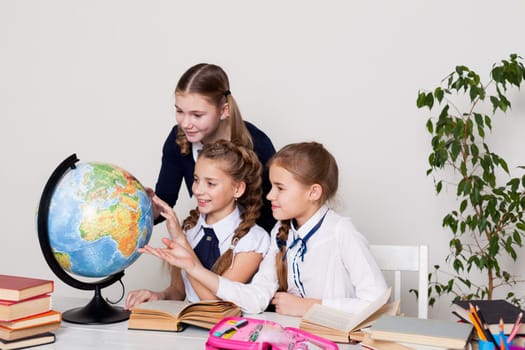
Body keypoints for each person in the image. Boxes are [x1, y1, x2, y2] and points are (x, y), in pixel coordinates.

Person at [139, 142, 388, 316]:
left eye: (280, 188)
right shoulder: (281, 232)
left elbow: (375, 303)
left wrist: (309, 306)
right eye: (271, 186)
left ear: (313, 192)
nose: (270, 195)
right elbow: (257, 298)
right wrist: (193, 267)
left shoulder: (340, 231)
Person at [125, 140, 270, 309]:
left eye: (211, 183)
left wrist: (180, 240)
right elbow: (178, 291)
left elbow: (216, 307)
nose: (198, 190)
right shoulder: (191, 230)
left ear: (237, 189)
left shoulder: (253, 240)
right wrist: (158, 296)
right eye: (196, 180)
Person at [153, 63, 276, 232]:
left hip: (254, 246)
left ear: (224, 110)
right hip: (209, 239)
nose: (185, 124)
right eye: (180, 111)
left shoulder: (258, 144)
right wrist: (142, 209)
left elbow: (276, 210)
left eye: (197, 115)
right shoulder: (177, 140)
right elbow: (164, 200)